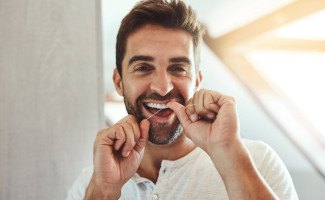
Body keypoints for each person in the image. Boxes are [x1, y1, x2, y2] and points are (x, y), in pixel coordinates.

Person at [67, 0, 298, 199]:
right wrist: (104, 192)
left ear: (197, 81)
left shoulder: (258, 162)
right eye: (143, 67)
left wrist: (229, 154)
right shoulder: (92, 183)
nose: (163, 86)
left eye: (178, 68)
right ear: (119, 82)